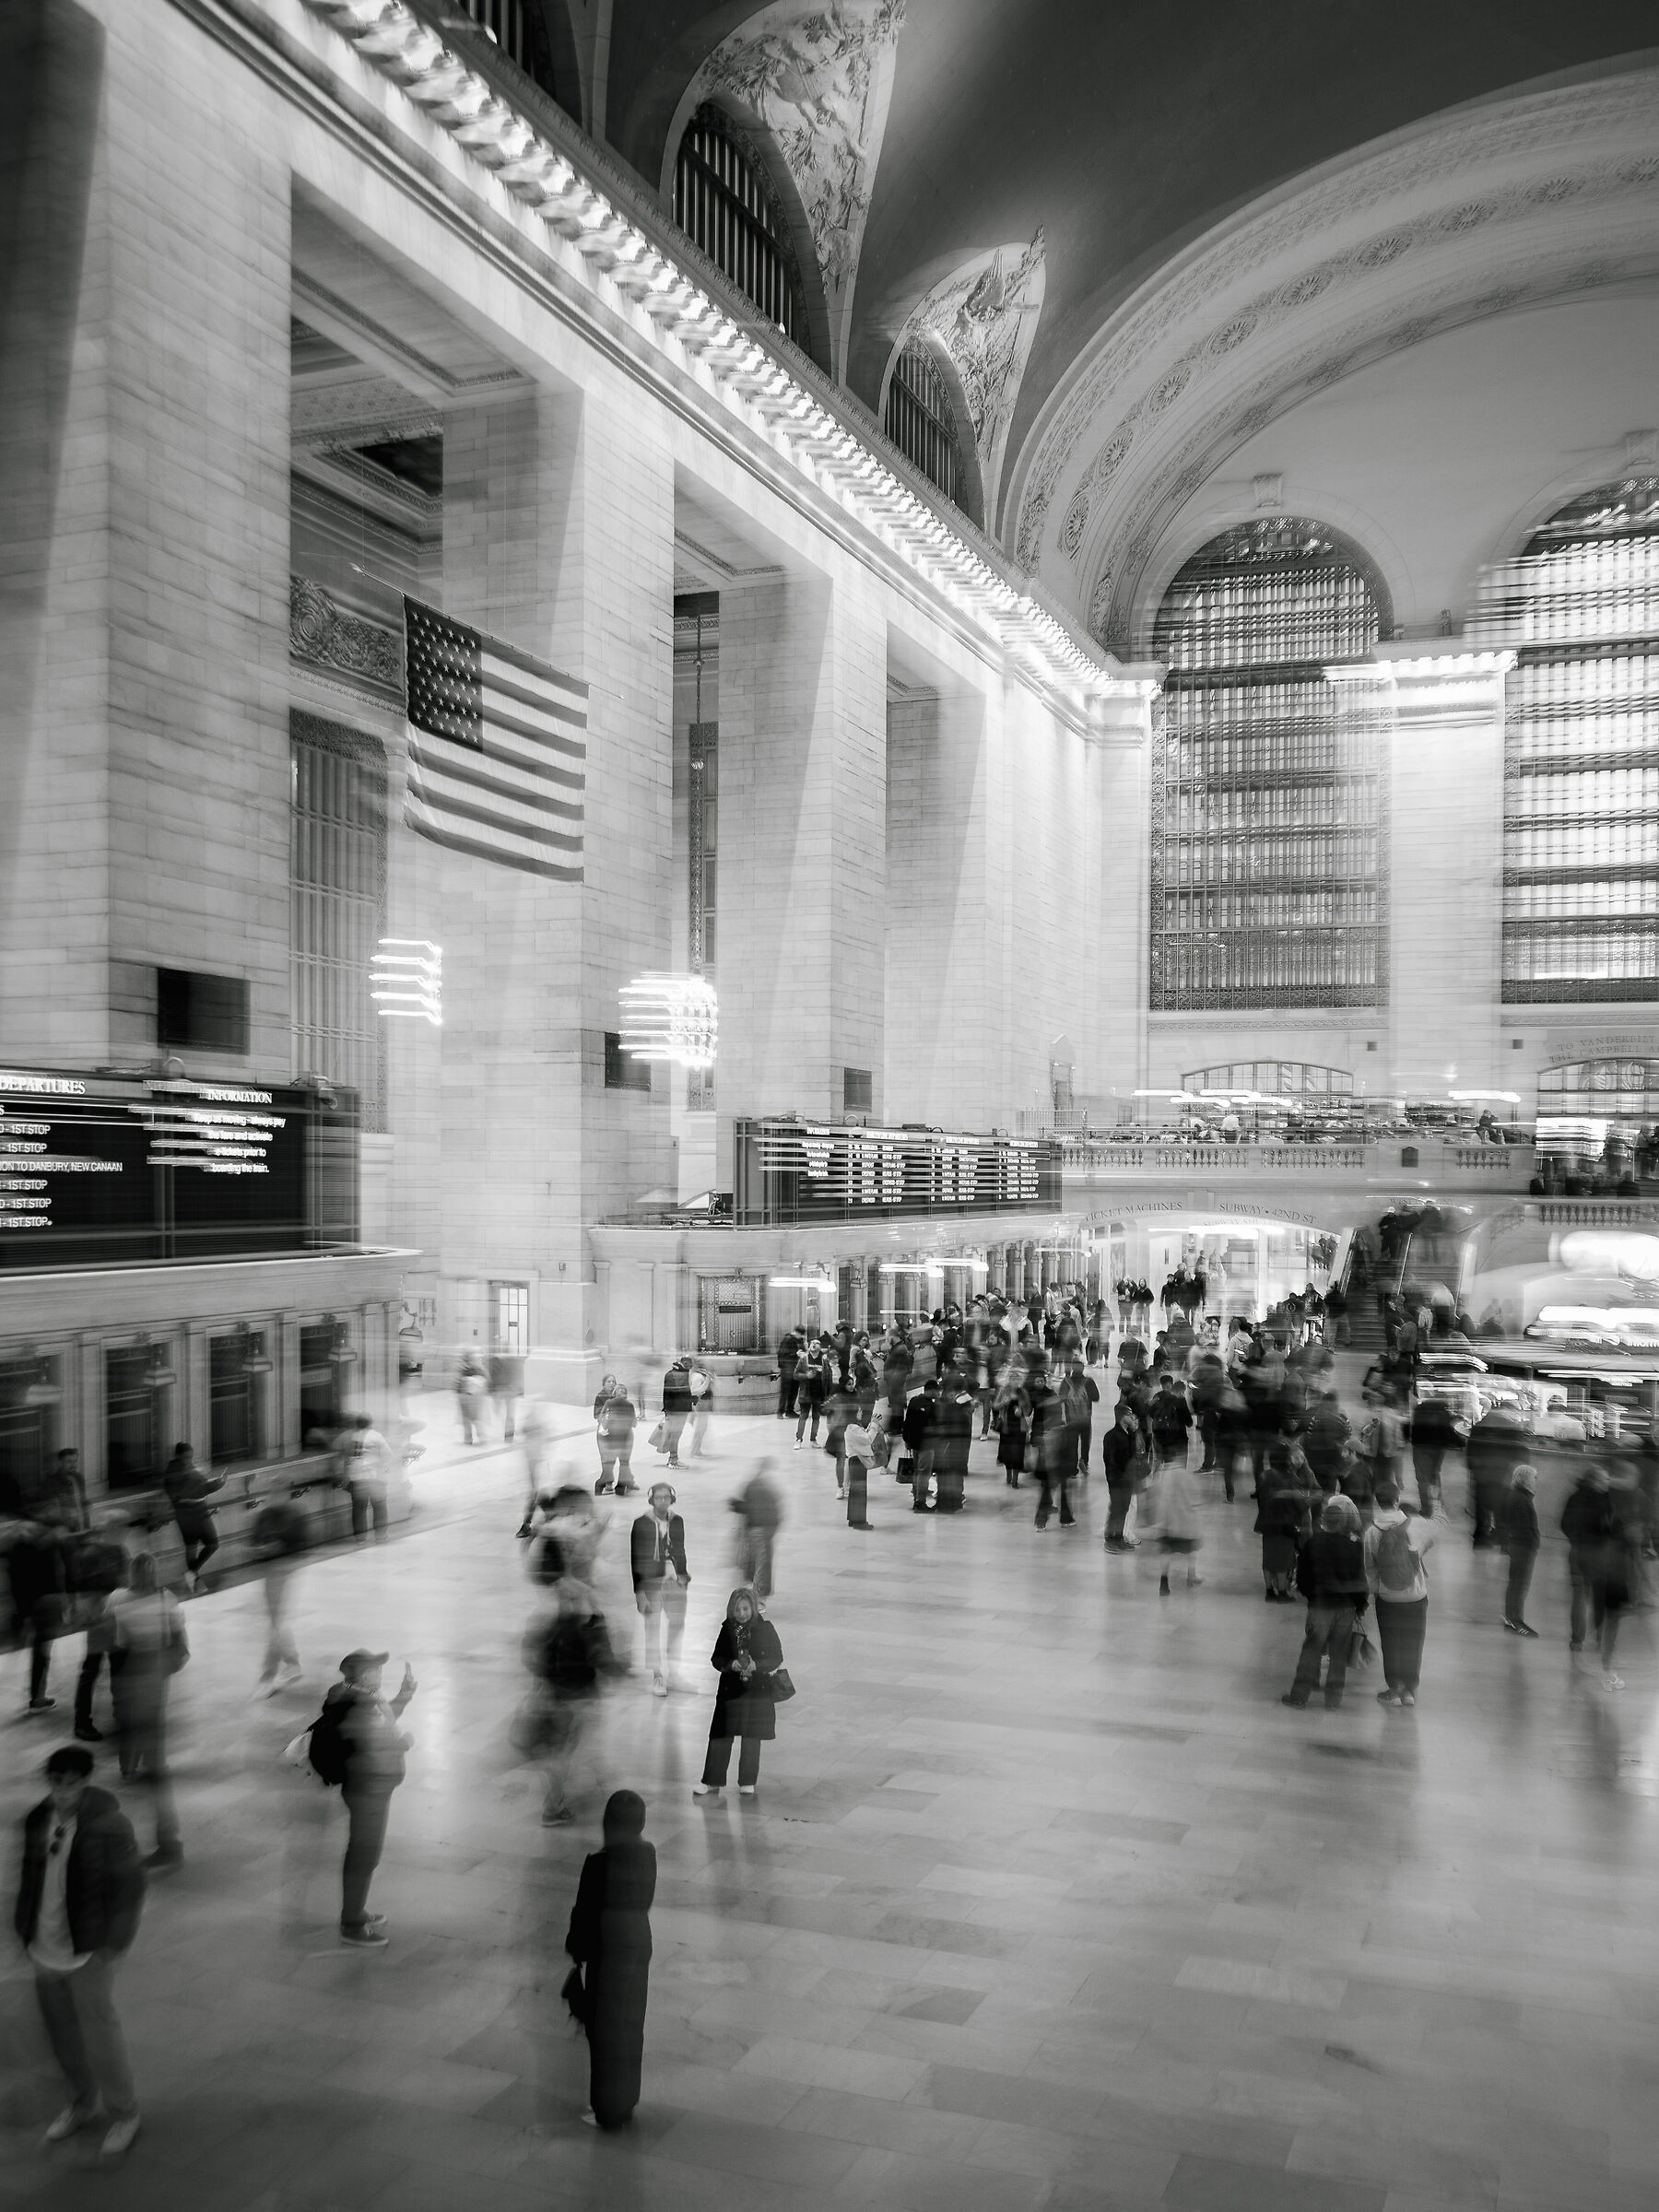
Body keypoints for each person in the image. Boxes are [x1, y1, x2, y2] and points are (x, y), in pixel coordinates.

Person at [14, 1746, 145, 2158]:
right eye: (56, 1783)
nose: (62, 1792)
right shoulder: (39, 1820)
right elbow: (31, 1878)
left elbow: (131, 1887)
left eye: (71, 1784)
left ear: (86, 1781)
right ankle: (81, 2103)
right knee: (61, 2035)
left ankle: (125, 2112)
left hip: (88, 1950)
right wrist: (25, 1928)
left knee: (100, 2034)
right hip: (44, 1946)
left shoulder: (110, 1825)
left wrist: (114, 1944)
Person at [565, 1790, 655, 2130]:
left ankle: (607, 2109)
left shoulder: (598, 1864)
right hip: (639, 1943)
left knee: (605, 2031)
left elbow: (584, 1913)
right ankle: (627, 2101)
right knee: (632, 2025)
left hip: (609, 1950)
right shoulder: (648, 1855)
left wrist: (576, 1949)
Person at [324, 1649, 417, 1946]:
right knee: (363, 1856)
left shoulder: (366, 1696)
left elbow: (385, 1720)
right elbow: (372, 1743)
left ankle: (356, 1910)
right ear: (363, 1674)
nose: (380, 1672)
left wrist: (404, 1694)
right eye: (376, 1668)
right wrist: (402, 1743)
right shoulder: (357, 1703)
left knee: (367, 1855)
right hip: (367, 1788)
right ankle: (351, 1924)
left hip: (374, 1787)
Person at [107, 1554, 186, 1872]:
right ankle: (168, 1841)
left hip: (136, 1677)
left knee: (156, 1768)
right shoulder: (167, 1600)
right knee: (155, 1762)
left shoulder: (117, 1600)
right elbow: (180, 1651)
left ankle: (169, 1844)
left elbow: (116, 1642)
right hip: (151, 1680)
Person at [695, 1587, 785, 1797]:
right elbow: (716, 1659)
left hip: (756, 1692)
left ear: (753, 1608)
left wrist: (757, 1665)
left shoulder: (765, 1629)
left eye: (745, 1609)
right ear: (731, 1610)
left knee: (752, 1736)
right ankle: (711, 1781)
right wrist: (731, 1664)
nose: (742, 1614)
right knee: (720, 1735)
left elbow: (776, 1657)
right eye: (738, 1610)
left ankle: (748, 1780)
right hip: (730, 1692)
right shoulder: (726, 1629)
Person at [1282, 1495, 1369, 1710]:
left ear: (1323, 1522)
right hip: (1346, 1608)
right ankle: (1333, 1700)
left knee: (1311, 1651)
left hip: (1320, 1606)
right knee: (1338, 1656)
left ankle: (1299, 1696)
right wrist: (1360, 1606)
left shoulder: (1313, 1544)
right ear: (1341, 1523)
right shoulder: (1353, 1547)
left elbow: (1302, 1578)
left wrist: (1311, 1596)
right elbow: (1360, 1581)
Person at [1364, 1480, 1434, 1708]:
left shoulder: (1372, 1531)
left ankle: (1393, 1690)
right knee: (1413, 1641)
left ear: (1378, 1502)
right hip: (1416, 1596)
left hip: (1388, 1598)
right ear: (1397, 1501)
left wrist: (1377, 1591)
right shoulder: (1417, 1524)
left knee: (1391, 1642)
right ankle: (1410, 1690)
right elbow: (1430, 1541)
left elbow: (1369, 1567)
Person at [67, 1521, 129, 1743]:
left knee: (119, 1669)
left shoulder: (119, 1550)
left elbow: (124, 1583)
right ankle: (81, 1722)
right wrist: (94, 1618)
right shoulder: (89, 1554)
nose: (124, 1533)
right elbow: (82, 1593)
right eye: (120, 1529)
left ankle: (122, 1714)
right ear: (111, 1530)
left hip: (115, 1619)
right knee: (90, 1671)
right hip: (98, 1621)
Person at [630, 1482, 689, 1696]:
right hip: (651, 1583)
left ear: (671, 1499)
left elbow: (680, 1550)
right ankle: (657, 1675)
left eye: (666, 1497)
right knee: (652, 1629)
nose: (662, 1501)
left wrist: (683, 1577)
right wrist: (639, 1593)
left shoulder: (677, 1521)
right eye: (658, 1497)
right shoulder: (641, 1523)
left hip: (674, 1582)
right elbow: (635, 1559)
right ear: (652, 1499)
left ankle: (673, 1669)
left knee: (677, 1625)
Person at [252, 1488, 307, 1694]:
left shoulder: (294, 1515)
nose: (275, 1498)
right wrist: (259, 1550)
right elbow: (254, 1540)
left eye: (279, 1494)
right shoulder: (264, 1515)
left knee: (276, 1623)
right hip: (269, 1571)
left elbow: (302, 1543)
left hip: (284, 1570)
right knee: (277, 1621)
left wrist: (280, 1548)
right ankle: (292, 1663)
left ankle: (268, 1674)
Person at [161, 1442, 224, 1590]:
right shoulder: (175, 1472)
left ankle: (193, 1576)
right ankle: (193, 1577)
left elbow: (200, 1484)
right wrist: (215, 1485)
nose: (189, 1460)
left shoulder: (186, 1468)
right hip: (191, 1513)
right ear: (178, 1456)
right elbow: (197, 1489)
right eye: (186, 1457)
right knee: (208, 1544)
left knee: (195, 1547)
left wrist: (213, 1484)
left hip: (193, 1512)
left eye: (191, 1457)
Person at [337, 1413, 393, 1542]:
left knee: (358, 1508)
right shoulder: (377, 1436)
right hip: (376, 1479)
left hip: (357, 1479)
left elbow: (336, 1447)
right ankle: (381, 1536)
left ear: (356, 1423)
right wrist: (384, 1468)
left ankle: (360, 1538)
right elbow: (388, 1455)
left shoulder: (347, 1435)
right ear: (371, 1423)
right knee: (379, 1507)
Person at [1500, 1465, 1541, 1636]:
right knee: (1519, 1584)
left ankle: (1513, 1619)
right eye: (1533, 1477)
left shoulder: (1515, 1495)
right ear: (1525, 1479)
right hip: (1523, 1547)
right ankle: (1515, 1621)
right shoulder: (1521, 1499)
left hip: (1517, 1545)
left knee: (1515, 1584)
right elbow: (1525, 1527)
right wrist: (1533, 1542)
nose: (1535, 1481)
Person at [731, 1466, 782, 1599]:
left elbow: (746, 1508)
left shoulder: (753, 1486)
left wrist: (736, 1506)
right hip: (762, 1531)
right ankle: (758, 1596)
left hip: (757, 1531)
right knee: (760, 1564)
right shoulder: (762, 1489)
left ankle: (756, 1596)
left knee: (756, 1564)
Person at [1100, 1401, 1143, 1550]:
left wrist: (1134, 1432)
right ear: (1121, 1417)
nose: (1132, 1418)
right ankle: (1110, 1540)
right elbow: (1109, 1460)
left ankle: (1118, 1538)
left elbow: (1132, 1456)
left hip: (1128, 1480)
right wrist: (1116, 1478)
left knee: (1123, 1510)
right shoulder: (1111, 1436)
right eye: (1129, 1415)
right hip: (1118, 1481)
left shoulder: (1128, 1435)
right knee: (1117, 1510)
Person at [1408, 1394, 1459, 1519]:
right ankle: (1437, 1505)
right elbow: (1449, 1429)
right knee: (1435, 1474)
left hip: (1422, 1446)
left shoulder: (1419, 1409)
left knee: (1422, 1478)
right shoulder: (1443, 1411)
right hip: (1439, 1447)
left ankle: (1426, 1509)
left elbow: (1413, 1428)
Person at [594, 1381, 637, 1496]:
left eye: (623, 1391)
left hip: (611, 1437)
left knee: (611, 1463)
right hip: (624, 1437)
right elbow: (634, 1423)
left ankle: (600, 1485)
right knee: (624, 1463)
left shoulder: (609, 1402)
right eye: (621, 1391)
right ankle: (620, 1487)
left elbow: (601, 1417)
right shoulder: (629, 1405)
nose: (621, 1393)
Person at [842, 1408, 874, 1529]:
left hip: (854, 1460)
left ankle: (853, 1519)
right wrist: (874, 1426)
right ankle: (860, 1521)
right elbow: (867, 1439)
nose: (861, 1412)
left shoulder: (852, 1427)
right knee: (860, 1492)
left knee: (855, 1492)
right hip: (858, 1460)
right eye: (859, 1411)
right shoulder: (853, 1428)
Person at [659, 1360, 693, 1468]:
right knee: (675, 1435)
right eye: (688, 1363)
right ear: (682, 1363)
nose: (690, 1366)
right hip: (677, 1410)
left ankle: (673, 1458)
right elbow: (675, 1394)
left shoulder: (679, 1373)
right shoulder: (676, 1374)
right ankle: (673, 1460)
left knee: (676, 1435)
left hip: (678, 1409)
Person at [488, 1347, 524, 1442]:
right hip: (510, 1391)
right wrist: (519, 1390)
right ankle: (509, 1435)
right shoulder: (514, 1361)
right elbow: (518, 1376)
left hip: (502, 1391)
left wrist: (492, 1390)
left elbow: (493, 1376)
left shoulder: (498, 1361)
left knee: (500, 1412)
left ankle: (508, 1431)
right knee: (509, 1415)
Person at [456, 1355, 488, 1446]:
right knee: (474, 1418)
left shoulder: (466, 1369)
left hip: (468, 1396)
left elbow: (459, 1384)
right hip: (473, 1397)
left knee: (469, 1419)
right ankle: (478, 1437)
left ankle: (469, 1439)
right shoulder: (480, 1369)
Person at [775, 1327, 803, 1420]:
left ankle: (789, 1410)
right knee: (786, 1392)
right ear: (797, 1332)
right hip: (787, 1370)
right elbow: (783, 1355)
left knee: (793, 1391)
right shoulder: (788, 1340)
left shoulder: (796, 1340)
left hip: (793, 1369)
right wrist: (796, 1354)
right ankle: (781, 1411)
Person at [687, 1368, 713, 1459]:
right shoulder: (697, 1377)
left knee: (702, 1427)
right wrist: (707, 1381)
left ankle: (696, 1450)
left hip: (703, 1405)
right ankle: (694, 1451)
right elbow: (694, 1392)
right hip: (700, 1404)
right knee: (700, 1428)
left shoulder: (701, 1376)